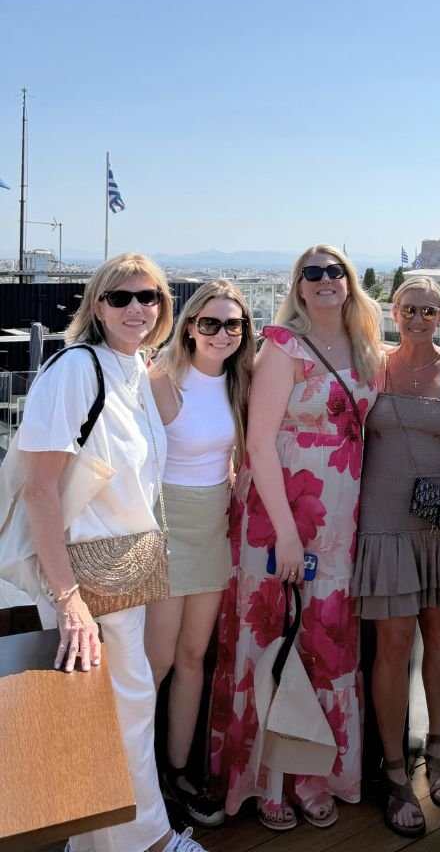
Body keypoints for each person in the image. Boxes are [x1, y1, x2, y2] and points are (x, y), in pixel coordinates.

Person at [0, 253, 207, 852]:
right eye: (120, 298)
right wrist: (68, 601)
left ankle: (94, 843)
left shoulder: (134, 370)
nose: (136, 308)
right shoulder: (75, 370)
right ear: (96, 305)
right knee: (128, 706)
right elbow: (39, 488)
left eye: (149, 297)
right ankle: (151, 842)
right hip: (83, 574)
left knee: (103, 714)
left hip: (122, 570)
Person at [210, 245, 381, 833]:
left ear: (350, 282)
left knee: (327, 644)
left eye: (336, 271)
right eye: (313, 273)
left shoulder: (365, 349)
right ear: (299, 286)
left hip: (340, 520)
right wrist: (285, 534)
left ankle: (315, 774)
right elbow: (258, 445)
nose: (326, 280)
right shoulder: (282, 345)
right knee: (270, 643)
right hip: (278, 516)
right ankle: (270, 780)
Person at [352, 275, 440, 837]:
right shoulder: (369, 364)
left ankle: (437, 747)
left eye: (429, 311)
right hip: (382, 525)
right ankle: (392, 770)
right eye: (409, 308)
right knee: (392, 644)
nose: (418, 319)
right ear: (391, 310)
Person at [144, 280, 255, 828]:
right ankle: (145, 782)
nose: (222, 333)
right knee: (157, 663)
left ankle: (178, 772)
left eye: (233, 324)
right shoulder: (160, 380)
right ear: (189, 326)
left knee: (193, 659)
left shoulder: (240, 382)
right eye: (210, 323)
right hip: (163, 526)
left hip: (213, 527)